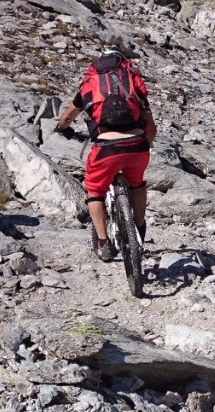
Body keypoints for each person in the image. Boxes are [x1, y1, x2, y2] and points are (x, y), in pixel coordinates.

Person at [54, 50, 158, 261]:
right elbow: (151, 127)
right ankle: (139, 226)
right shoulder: (132, 83)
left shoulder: (90, 86)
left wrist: (61, 128)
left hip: (106, 148)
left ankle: (103, 242)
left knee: (95, 191)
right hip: (137, 146)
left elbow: (66, 117)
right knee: (137, 184)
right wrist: (144, 145)